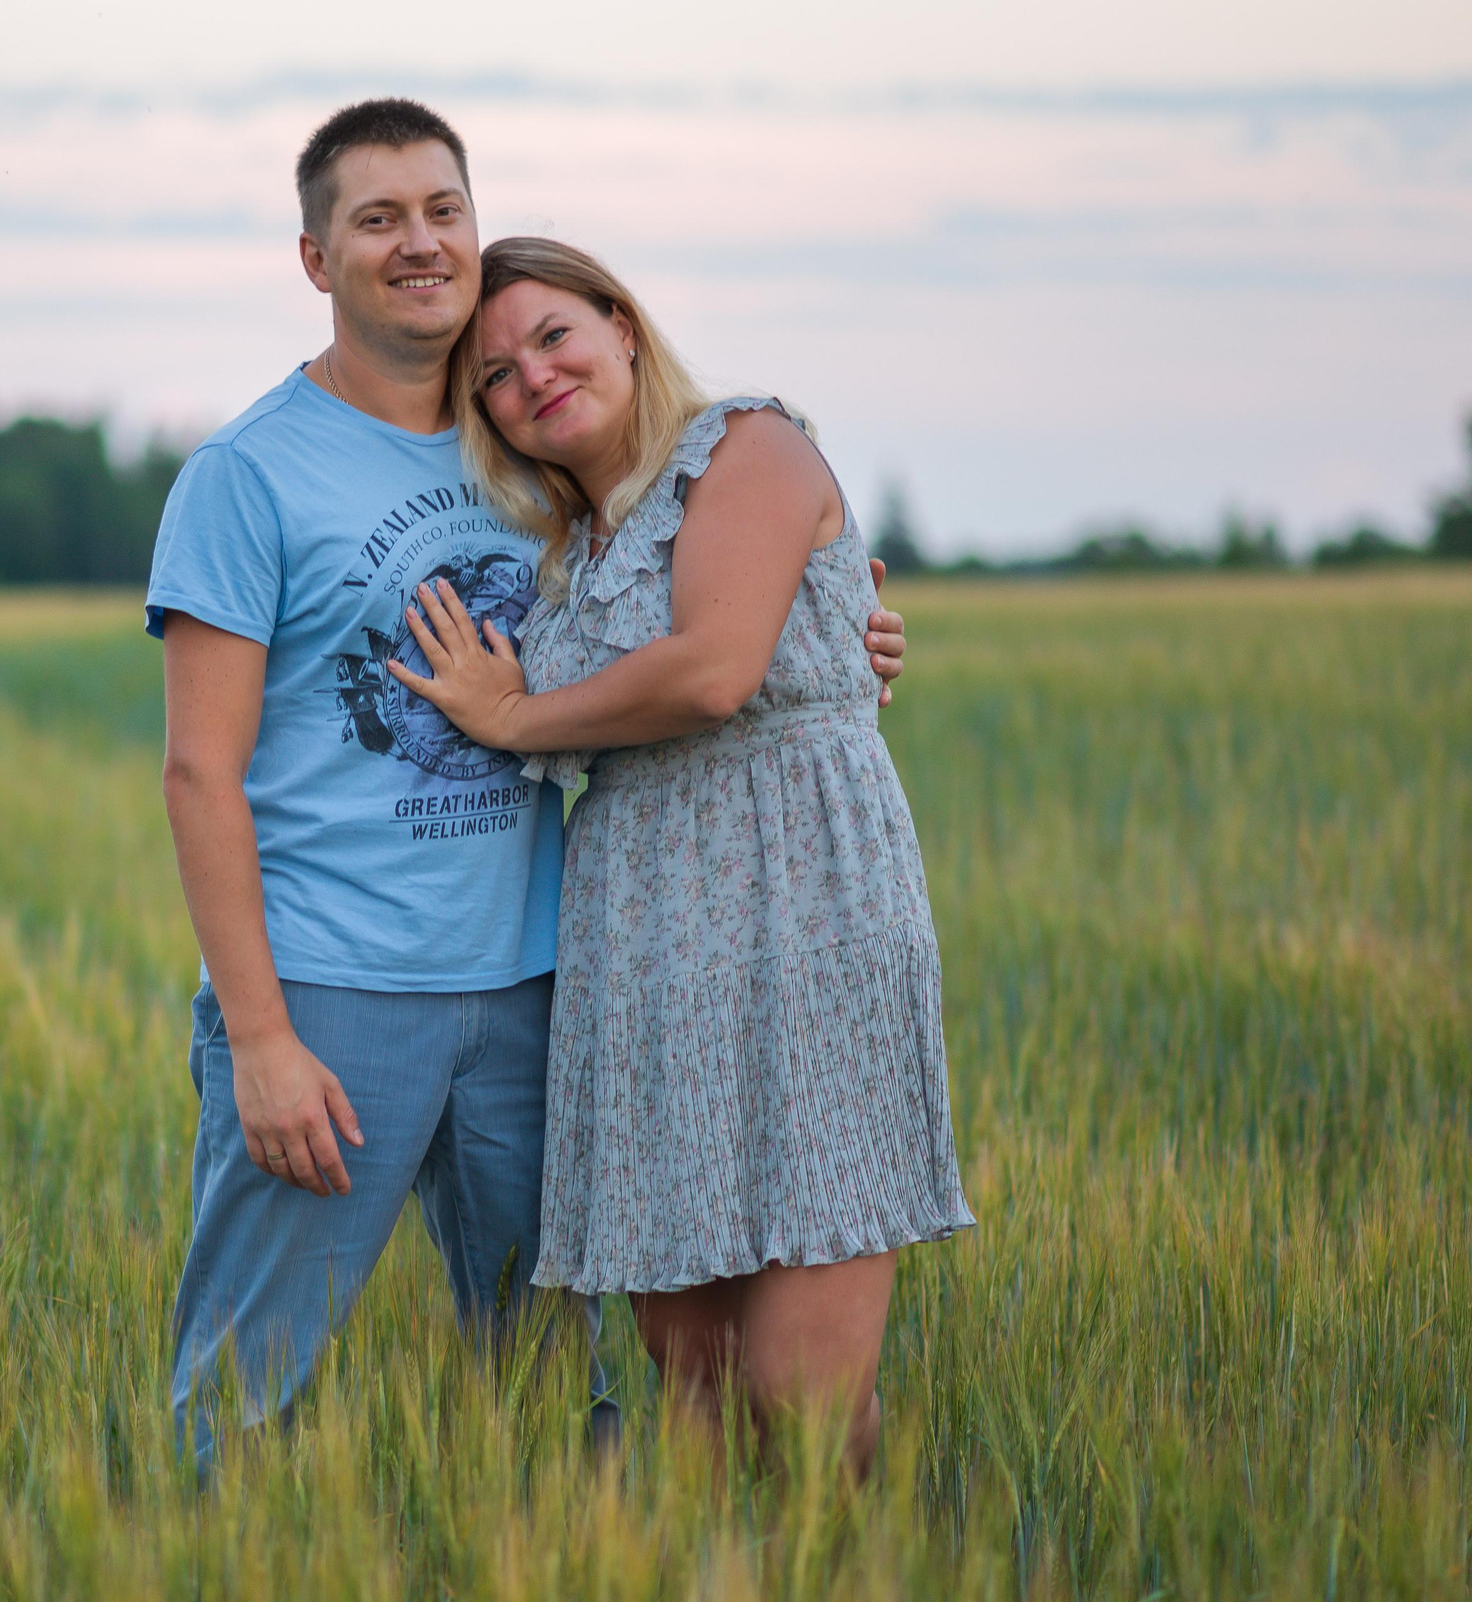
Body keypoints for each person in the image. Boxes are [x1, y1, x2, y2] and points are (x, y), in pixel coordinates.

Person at [146, 101, 909, 1472]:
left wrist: (847, 638)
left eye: (443, 208)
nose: (420, 242)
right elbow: (200, 771)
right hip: (338, 990)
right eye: (376, 218)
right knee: (245, 1390)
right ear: (317, 258)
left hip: (547, 986)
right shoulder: (247, 475)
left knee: (556, 1394)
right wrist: (259, 1037)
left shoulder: (531, 459)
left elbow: (702, 620)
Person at [387, 237, 974, 1479]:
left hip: (806, 909)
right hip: (642, 950)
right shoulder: (559, 557)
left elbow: (713, 672)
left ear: (622, 325)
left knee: (799, 1399)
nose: (533, 377)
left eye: (554, 336)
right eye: (495, 373)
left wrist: (515, 718)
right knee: (695, 1389)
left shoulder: (746, 445)